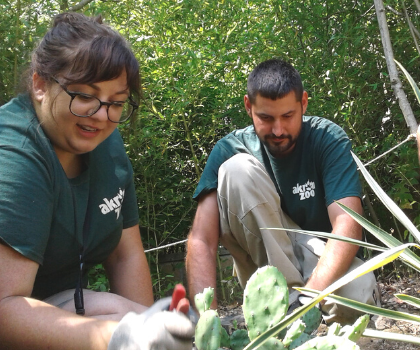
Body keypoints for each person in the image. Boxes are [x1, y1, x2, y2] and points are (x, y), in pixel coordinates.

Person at [0, 12, 194, 350]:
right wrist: (122, 338)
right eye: (85, 96)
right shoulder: (15, 154)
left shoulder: (103, 143)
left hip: (56, 307)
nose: (102, 116)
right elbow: (4, 307)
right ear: (40, 85)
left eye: (116, 103)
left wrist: (151, 330)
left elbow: (125, 255)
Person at [186, 58, 380, 324]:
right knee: (236, 170)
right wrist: (205, 322)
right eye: (266, 118)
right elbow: (201, 240)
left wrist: (308, 298)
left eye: (288, 116)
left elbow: (347, 226)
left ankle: (296, 310)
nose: (278, 130)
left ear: (303, 103)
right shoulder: (228, 149)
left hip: (322, 258)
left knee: (356, 298)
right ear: (248, 106)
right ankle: (282, 310)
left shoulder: (328, 139)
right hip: (264, 271)